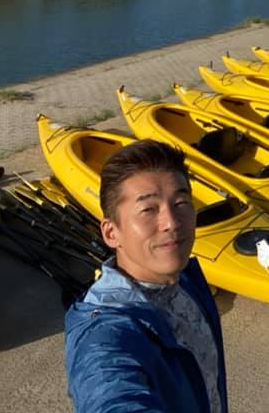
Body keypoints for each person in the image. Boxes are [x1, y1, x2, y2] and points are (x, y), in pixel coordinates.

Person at [65, 140, 228, 413]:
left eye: (180, 202)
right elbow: (110, 391)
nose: (172, 222)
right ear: (110, 233)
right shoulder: (104, 333)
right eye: (149, 210)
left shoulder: (185, 278)